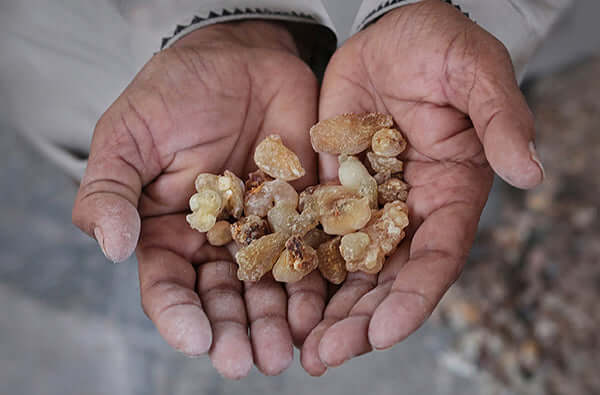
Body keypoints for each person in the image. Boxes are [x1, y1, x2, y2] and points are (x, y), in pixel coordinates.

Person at [2, 0, 571, 380]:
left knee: (482, 102)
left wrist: (438, 4)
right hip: (88, 42)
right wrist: (221, 22)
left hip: (443, 64)